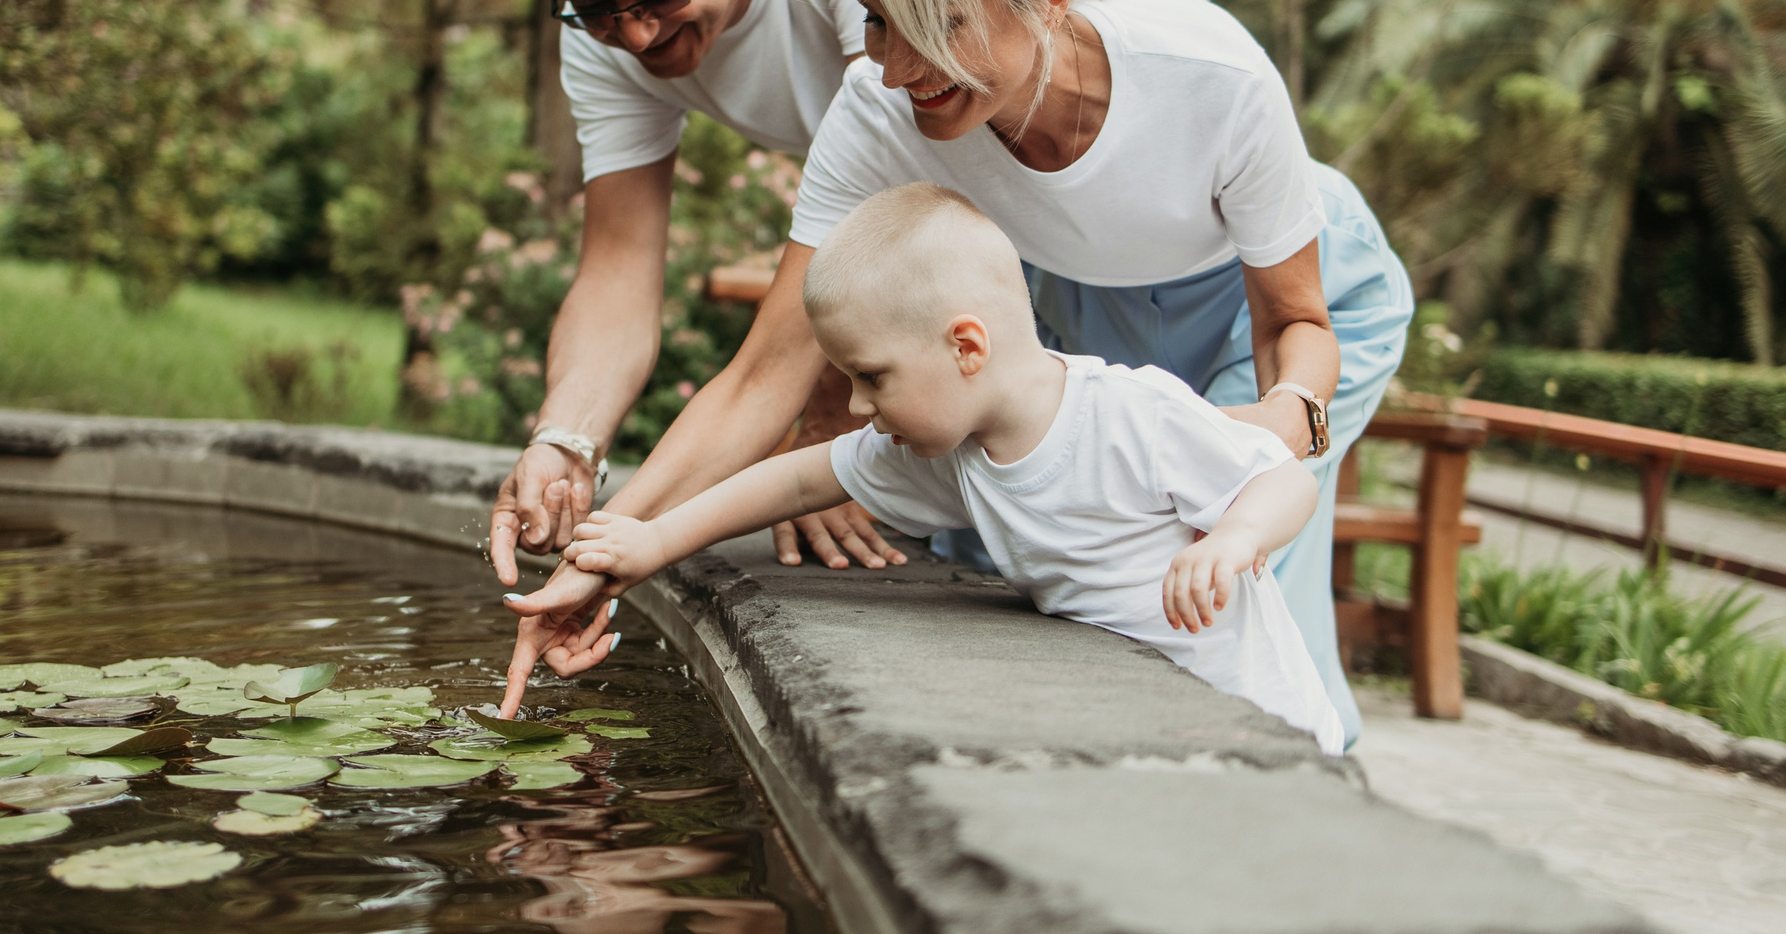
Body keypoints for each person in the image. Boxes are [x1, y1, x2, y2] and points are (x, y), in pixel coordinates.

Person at [507, 0, 1411, 748]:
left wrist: (1285, 424)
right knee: (1066, 577)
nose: (894, 68)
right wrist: (602, 551)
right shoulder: (882, 106)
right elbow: (765, 372)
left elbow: (1298, 319)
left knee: (1240, 603)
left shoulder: (1215, 75)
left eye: (930, 24)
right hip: (1087, 293)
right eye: (875, 24)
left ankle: (1317, 805)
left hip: (1272, 295)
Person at [496, 0, 1202, 592]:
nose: (635, 33)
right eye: (596, 9)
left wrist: (829, 422)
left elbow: (895, 153)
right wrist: (565, 443)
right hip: (1000, 220)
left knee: (1174, 550)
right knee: (1014, 550)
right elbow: (619, 273)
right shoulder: (608, 25)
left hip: (1146, 190)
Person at [507, 184, 1345, 755]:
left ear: (966, 346)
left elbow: (1283, 477)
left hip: (1264, 722)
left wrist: (1231, 539)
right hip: (1149, 723)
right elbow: (801, 478)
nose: (861, 408)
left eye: (872, 377)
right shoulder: (956, 449)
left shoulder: (1128, 413)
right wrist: (653, 541)